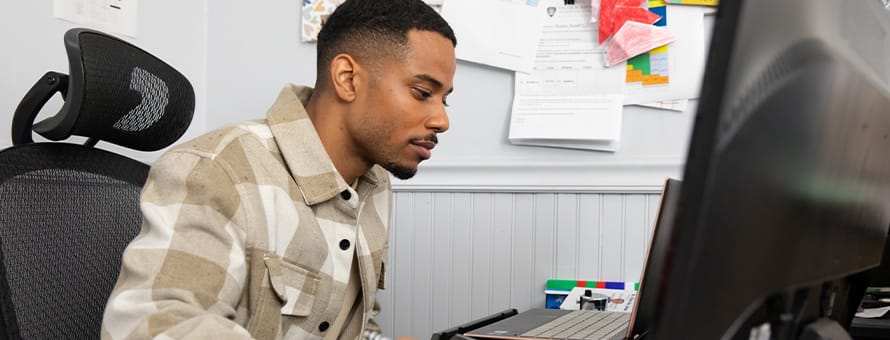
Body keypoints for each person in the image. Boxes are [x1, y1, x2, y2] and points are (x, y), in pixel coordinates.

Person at [100, 0, 456, 338]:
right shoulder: (217, 170)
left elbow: (349, 327)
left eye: (445, 99)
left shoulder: (374, 183)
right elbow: (154, 327)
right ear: (347, 79)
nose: (442, 120)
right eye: (423, 92)